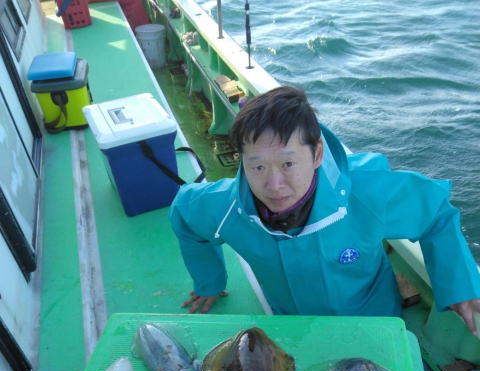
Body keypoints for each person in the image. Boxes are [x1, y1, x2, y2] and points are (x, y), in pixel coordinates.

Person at [169, 86, 480, 333]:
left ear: (317, 154)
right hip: (290, 323)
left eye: (288, 163)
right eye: (258, 166)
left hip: (374, 320)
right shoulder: (225, 206)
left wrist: (460, 284)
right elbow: (184, 214)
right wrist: (209, 283)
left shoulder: (367, 192)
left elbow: (436, 214)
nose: (274, 185)